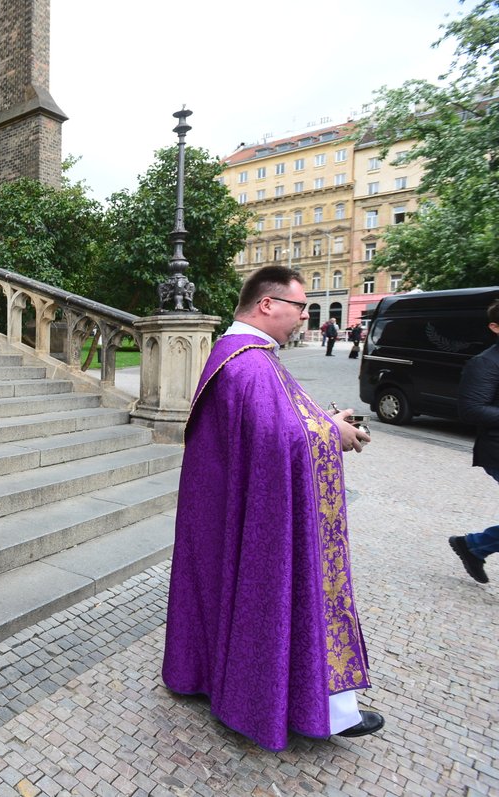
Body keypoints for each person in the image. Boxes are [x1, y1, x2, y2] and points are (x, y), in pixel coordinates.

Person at [163, 265, 383, 751]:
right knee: (289, 592)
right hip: (259, 513)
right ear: (267, 305)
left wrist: (322, 422)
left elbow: (278, 423)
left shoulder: (237, 355)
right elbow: (276, 437)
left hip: (227, 507)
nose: (304, 317)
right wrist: (336, 435)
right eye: (299, 307)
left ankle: (213, 677)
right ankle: (316, 708)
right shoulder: (250, 362)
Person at [449, 299, 499, 584]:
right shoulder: (485, 363)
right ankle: (474, 546)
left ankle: (473, 546)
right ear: (495, 327)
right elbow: (471, 410)